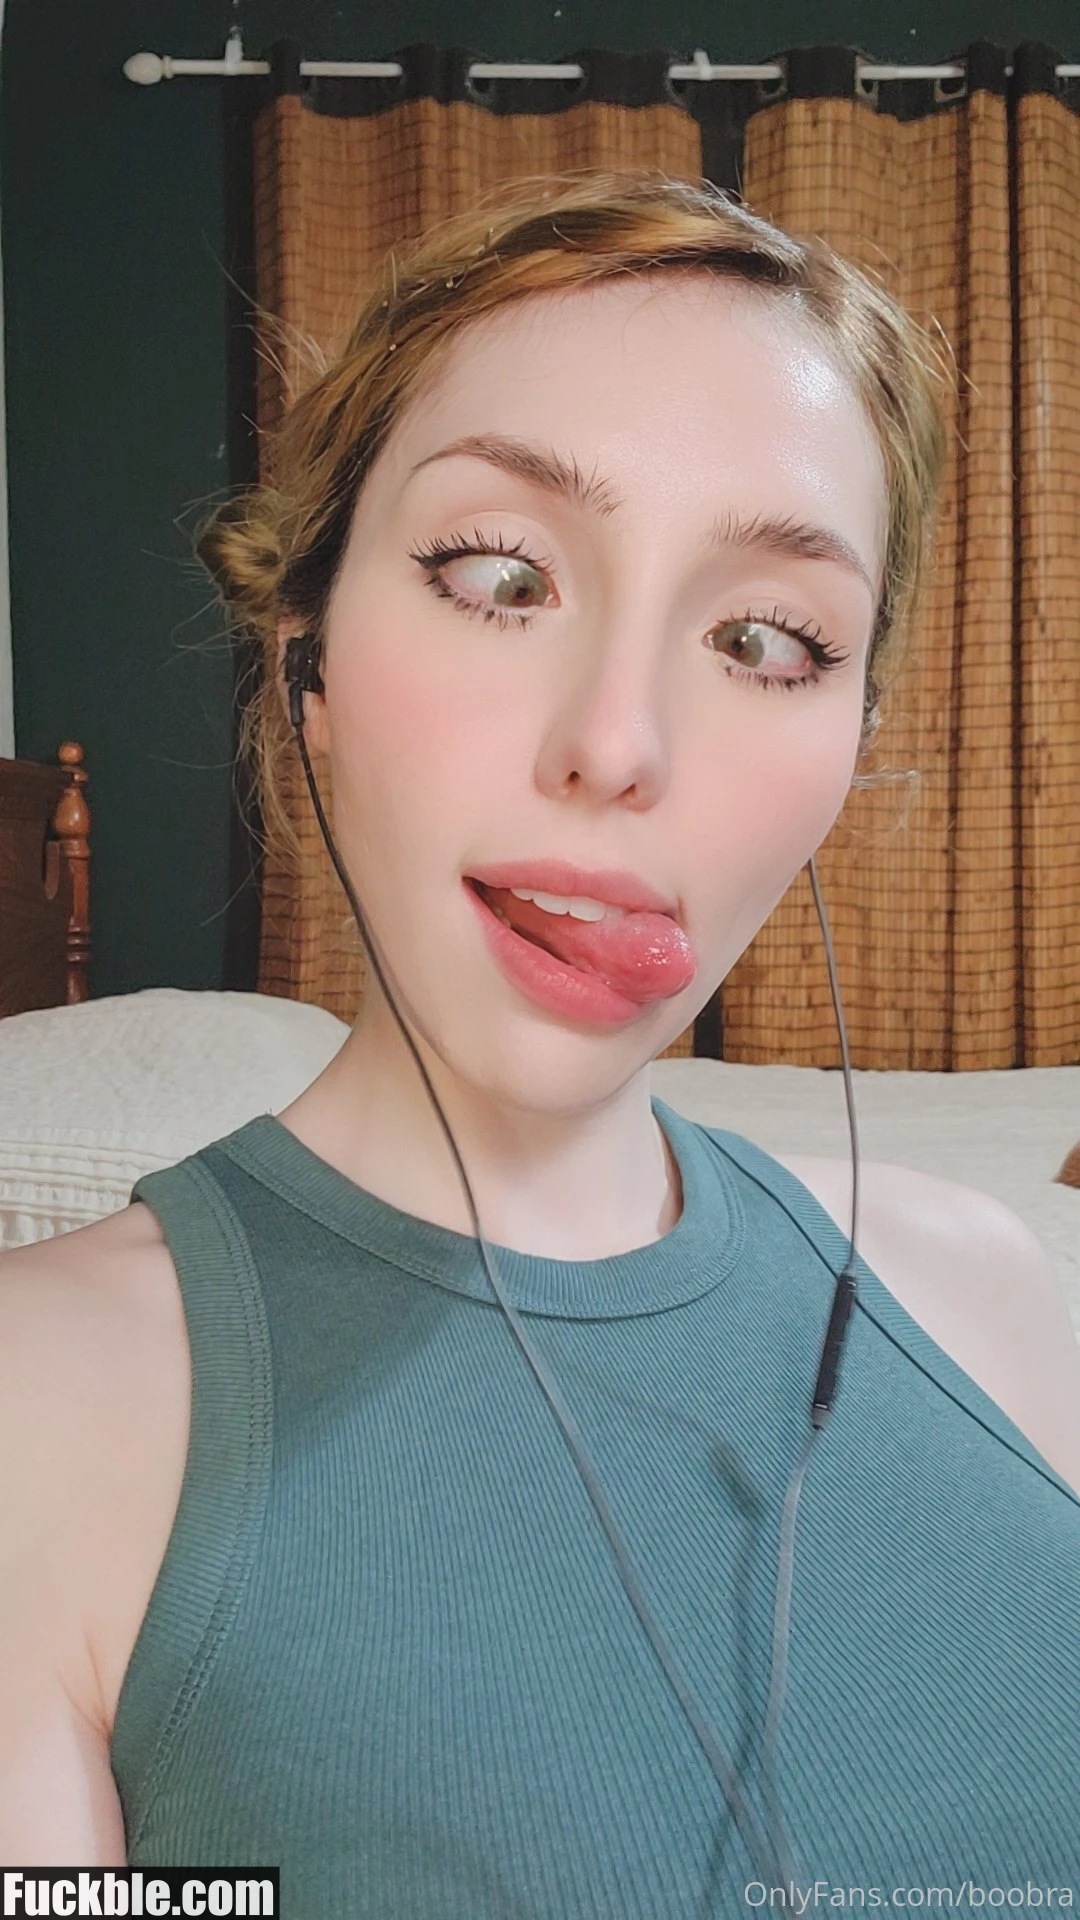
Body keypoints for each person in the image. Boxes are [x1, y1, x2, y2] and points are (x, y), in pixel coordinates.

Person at [2, 169, 1079, 1909]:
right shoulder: (34, 1406)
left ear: (851, 733)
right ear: (308, 656)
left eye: (767, 640)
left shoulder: (995, 1291)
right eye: (501, 575)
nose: (621, 743)